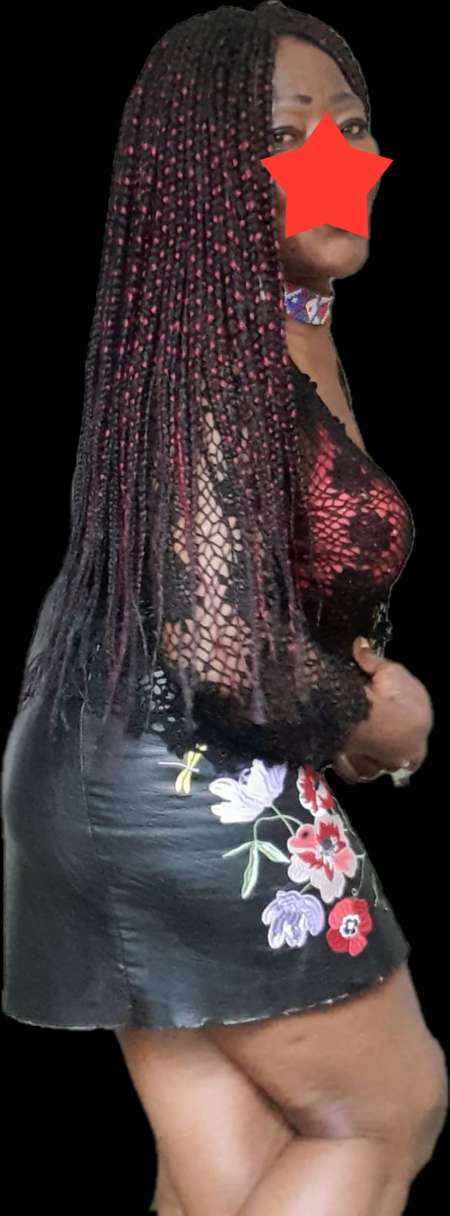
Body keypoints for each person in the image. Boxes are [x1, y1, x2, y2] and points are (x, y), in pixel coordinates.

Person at [2, 4, 447, 1215]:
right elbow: (217, 644)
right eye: (288, 134)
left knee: (227, 1172)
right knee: (383, 1113)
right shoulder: (217, 357)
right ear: (208, 175)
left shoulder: (270, 335)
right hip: (186, 768)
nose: (337, 159)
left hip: (102, 763)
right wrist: (382, 720)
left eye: (353, 127)